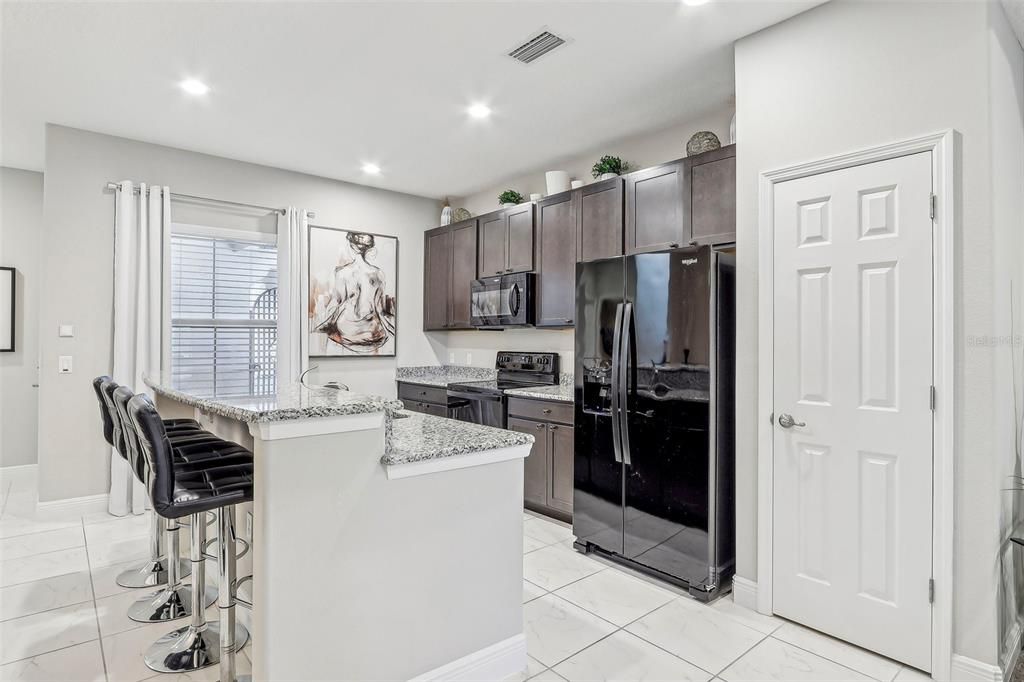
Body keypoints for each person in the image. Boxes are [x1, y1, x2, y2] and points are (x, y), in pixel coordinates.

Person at [313, 232, 395, 353]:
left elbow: (336, 304)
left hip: (346, 330)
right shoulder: (378, 274)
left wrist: (320, 324)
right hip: (370, 332)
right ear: (369, 249)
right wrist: (391, 329)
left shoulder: (342, 273)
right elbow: (379, 309)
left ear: (351, 246)